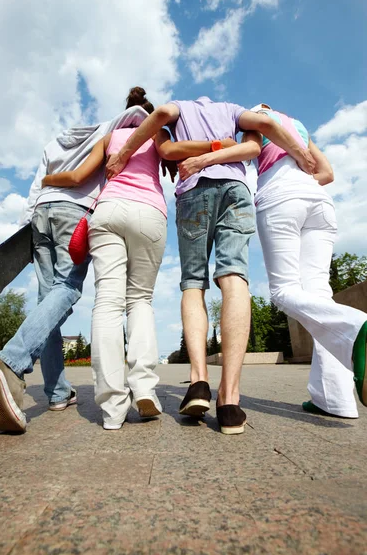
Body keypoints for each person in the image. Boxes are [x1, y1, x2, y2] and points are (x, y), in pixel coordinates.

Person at [105, 96, 316, 434]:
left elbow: (159, 116)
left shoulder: (180, 107)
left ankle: (198, 381)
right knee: (235, 277)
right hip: (236, 190)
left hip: (195, 191)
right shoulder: (233, 112)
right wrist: (303, 154)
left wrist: (122, 154)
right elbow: (266, 129)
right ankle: (230, 401)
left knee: (193, 283)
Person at [179, 102, 367, 418]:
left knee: (284, 292)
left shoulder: (259, 119)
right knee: (319, 296)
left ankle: (357, 326)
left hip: (281, 197)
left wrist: (204, 159)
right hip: (319, 201)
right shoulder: (299, 125)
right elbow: (327, 173)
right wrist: (300, 181)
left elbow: (250, 149)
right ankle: (334, 399)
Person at [0, 102, 149, 433]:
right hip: (75, 213)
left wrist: (19, 236)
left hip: (41, 216)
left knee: (48, 304)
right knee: (67, 290)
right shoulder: (106, 128)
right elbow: (141, 114)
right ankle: (10, 363)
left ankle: (57, 393)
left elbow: (35, 190)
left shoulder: (53, 142)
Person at [41, 87, 169, 430]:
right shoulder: (158, 132)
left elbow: (78, 177)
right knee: (140, 299)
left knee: (107, 303)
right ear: (149, 113)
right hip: (148, 213)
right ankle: (144, 389)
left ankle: (112, 408)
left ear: (125, 112)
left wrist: (46, 179)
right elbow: (176, 156)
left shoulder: (110, 136)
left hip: (107, 211)